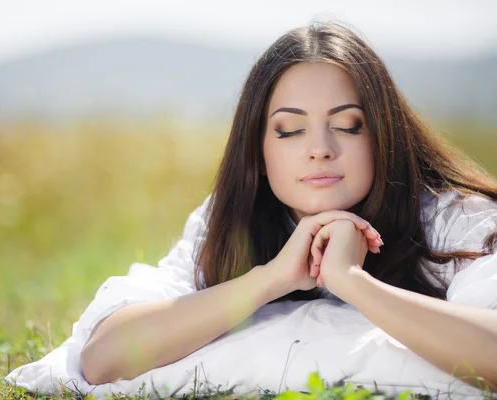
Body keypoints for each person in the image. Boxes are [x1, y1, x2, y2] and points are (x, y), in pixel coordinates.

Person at [79, 22, 497, 389]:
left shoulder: (453, 219)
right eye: (290, 130)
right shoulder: (230, 221)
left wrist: (350, 280)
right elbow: (103, 359)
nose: (319, 149)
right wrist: (272, 278)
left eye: (347, 125)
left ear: (383, 137)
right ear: (258, 154)